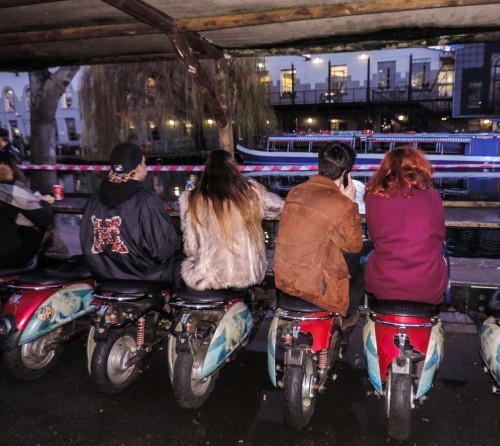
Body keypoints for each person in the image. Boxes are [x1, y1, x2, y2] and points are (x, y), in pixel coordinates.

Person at [273, 142, 365, 327]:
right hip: (316, 288)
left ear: (320, 165)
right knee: (361, 266)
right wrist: (350, 203)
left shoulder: (295, 191)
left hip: (285, 277)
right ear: (347, 173)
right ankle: (346, 317)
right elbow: (353, 245)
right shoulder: (343, 203)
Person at [179, 149, 283, 290]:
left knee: (182, 265)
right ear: (234, 167)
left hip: (209, 277)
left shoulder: (192, 198)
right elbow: (278, 207)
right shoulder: (250, 190)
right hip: (246, 274)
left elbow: (190, 247)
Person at [80, 143, 181, 284]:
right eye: (144, 163)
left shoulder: (94, 199)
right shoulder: (145, 199)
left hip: (103, 273)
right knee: (181, 258)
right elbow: (164, 249)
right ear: (138, 168)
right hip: (143, 276)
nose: (145, 167)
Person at [363, 146, 447, 305]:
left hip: (383, 285)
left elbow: (375, 237)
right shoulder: (434, 197)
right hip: (429, 288)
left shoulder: (373, 197)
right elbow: (440, 236)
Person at [0, 161, 53, 268]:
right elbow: (44, 219)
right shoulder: (11, 189)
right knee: (43, 231)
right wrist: (44, 202)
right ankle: (36, 272)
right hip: (7, 255)